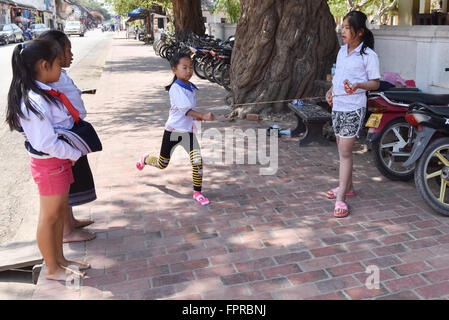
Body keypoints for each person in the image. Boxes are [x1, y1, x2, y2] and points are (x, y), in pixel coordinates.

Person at [6, 40, 90, 280]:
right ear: (44, 65)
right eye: (57, 66)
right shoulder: (34, 100)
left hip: (58, 161)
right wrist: (74, 153)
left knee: (59, 211)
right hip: (50, 163)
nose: (61, 70)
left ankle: (60, 260)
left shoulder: (43, 93)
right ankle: (52, 268)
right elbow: (45, 143)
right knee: (49, 217)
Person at [39, 30, 97, 243]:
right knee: (63, 187)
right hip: (62, 140)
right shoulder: (49, 79)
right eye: (67, 51)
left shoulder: (59, 74)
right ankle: (66, 231)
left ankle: (70, 221)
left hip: (71, 133)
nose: (71, 55)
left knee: (71, 183)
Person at [136, 52, 214, 206]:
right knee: (162, 163)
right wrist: (202, 115)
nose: (189, 71)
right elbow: (185, 110)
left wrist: (196, 117)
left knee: (197, 161)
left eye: (191, 67)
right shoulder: (175, 88)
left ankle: (197, 192)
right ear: (174, 70)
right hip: (173, 132)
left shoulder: (189, 86)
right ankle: (145, 159)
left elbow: (188, 111)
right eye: (184, 67)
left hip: (188, 133)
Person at [325, 11, 380, 218]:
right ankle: (347, 187)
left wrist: (358, 85)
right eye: (343, 27)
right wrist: (330, 92)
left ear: (359, 32)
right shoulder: (341, 51)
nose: (343, 31)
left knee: (345, 152)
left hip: (354, 108)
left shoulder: (368, 55)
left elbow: (375, 83)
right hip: (338, 105)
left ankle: (342, 200)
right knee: (342, 149)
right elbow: (337, 77)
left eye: (348, 28)